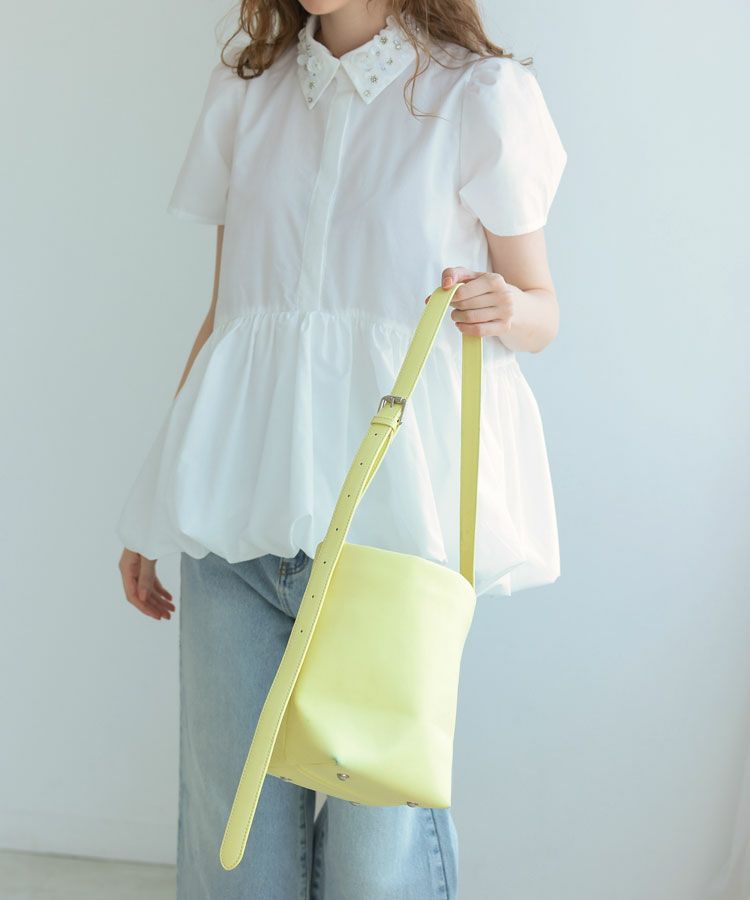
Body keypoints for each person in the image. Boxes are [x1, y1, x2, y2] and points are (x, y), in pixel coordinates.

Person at [116, 2, 568, 897]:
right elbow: (228, 318)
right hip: (239, 522)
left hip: (390, 536)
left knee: (377, 867)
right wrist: (154, 503)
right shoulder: (248, 94)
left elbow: (542, 309)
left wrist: (506, 307)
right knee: (231, 851)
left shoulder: (478, 96)